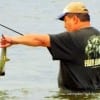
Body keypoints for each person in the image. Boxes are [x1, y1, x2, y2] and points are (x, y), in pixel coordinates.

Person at [1, 2, 100, 92]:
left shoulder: (70, 38)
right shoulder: (98, 35)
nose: (65, 26)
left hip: (74, 94)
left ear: (75, 19)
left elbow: (40, 40)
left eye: (65, 20)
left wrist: (13, 40)